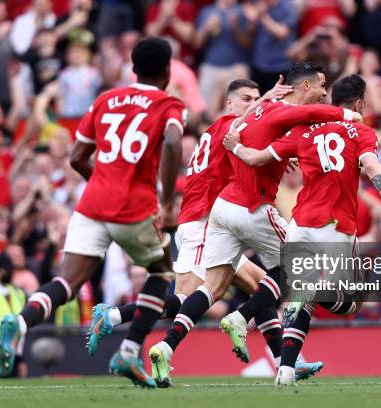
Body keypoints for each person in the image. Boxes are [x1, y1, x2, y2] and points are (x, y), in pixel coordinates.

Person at [88, 78, 322, 385]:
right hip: (203, 222)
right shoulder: (227, 125)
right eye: (246, 99)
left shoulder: (224, 129)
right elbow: (247, 127)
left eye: (255, 99)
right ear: (229, 104)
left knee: (257, 284)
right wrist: (267, 98)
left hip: (213, 222)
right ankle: (118, 318)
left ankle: (285, 360)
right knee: (186, 300)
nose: (252, 105)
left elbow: (253, 151)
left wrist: (280, 156)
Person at [147, 62, 362, 384]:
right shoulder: (284, 111)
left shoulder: (259, 113)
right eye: (320, 85)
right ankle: (244, 320)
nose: (323, 92)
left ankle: (166, 346)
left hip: (222, 208)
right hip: (252, 207)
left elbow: (248, 137)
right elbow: (312, 115)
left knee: (213, 287)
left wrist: (274, 153)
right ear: (305, 87)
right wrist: (350, 116)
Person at [0, 38, 186, 389]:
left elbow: (76, 157)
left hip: (91, 204)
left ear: (133, 70)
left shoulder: (106, 99)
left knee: (66, 282)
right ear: (168, 71)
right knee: (160, 272)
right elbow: (173, 143)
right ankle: (129, 351)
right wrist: (170, 205)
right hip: (134, 207)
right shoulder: (169, 104)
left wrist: (102, 181)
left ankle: (19, 323)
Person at [219, 74, 381, 385]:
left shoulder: (302, 131)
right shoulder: (359, 131)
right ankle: (285, 315)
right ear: (359, 103)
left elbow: (256, 158)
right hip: (335, 226)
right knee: (352, 301)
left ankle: (286, 370)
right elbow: (373, 167)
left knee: (300, 297)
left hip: (300, 223)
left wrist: (235, 147)